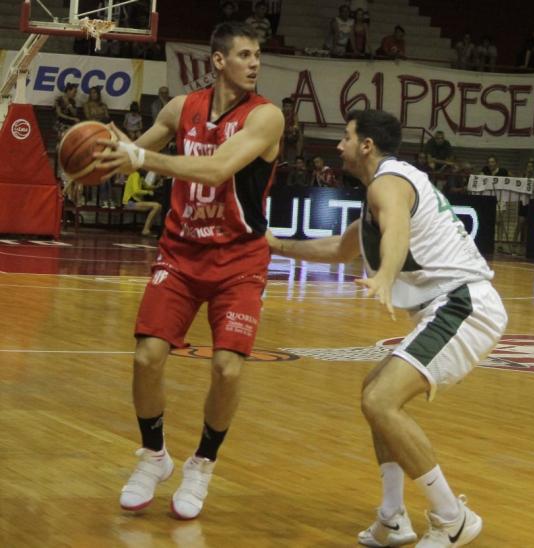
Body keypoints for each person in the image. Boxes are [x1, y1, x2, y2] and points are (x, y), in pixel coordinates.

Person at [266, 109, 507, 547]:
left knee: (381, 399)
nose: (338, 145)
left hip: (464, 304)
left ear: (366, 146)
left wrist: (385, 274)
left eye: (345, 136)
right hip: (447, 306)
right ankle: (393, 518)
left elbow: (396, 232)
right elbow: (340, 250)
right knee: (373, 391)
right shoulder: (382, 190)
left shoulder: (388, 183)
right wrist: (273, 244)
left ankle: (452, 518)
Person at [94, 22, 284, 520]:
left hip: (239, 257)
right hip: (180, 251)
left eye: (258, 55)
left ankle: (202, 463)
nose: (255, 63)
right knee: (146, 358)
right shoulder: (182, 108)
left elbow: (217, 169)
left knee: (226, 367)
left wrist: (144, 157)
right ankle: (154, 457)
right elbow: (133, 154)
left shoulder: (266, 118)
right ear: (218, 60)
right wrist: (104, 156)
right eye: (244, 54)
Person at [122, 170, 162, 236]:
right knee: (156, 206)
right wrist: (148, 192)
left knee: (158, 206)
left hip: (134, 202)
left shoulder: (140, 176)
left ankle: (147, 229)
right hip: (128, 204)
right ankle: (145, 230)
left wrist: (157, 186)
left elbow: (147, 186)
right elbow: (136, 191)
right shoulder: (135, 174)